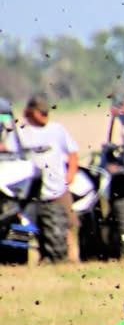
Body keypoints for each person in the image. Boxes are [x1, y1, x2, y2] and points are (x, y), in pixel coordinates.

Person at [14, 95, 81, 262]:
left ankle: (70, 258)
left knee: (68, 224)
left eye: (46, 112)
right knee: (30, 224)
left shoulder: (57, 130)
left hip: (57, 187)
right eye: (41, 112)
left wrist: (71, 174)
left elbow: (73, 152)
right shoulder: (21, 132)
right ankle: (39, 257)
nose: (45, 115)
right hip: (30, 189)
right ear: (30, 112)